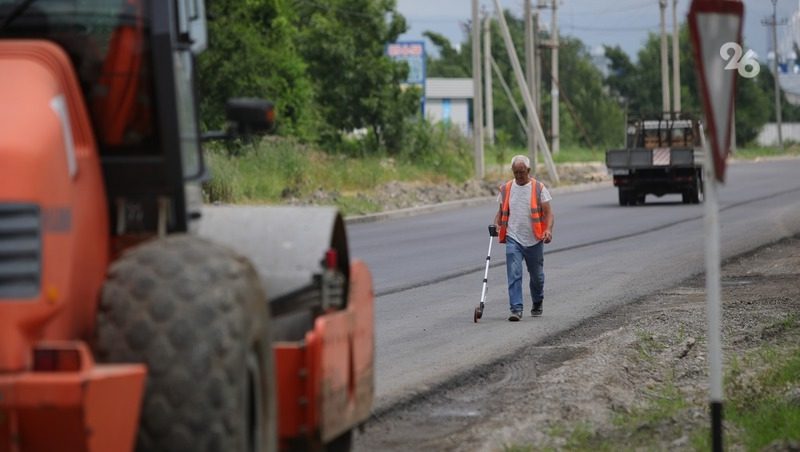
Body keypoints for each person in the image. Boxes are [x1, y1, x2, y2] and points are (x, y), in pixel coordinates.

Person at [493, 155, 554, 322]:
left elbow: (548, 213)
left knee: (537, 277)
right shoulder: (506, 189)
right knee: (514, 273)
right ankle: (516, 309)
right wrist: (497, 225)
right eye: (515, 173)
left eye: (522, 172)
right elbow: (500, 212)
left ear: (528, 171)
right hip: (513, 238)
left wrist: (547, 230)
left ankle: (537, 300)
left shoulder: (539, 188)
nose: (519, 176)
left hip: (535, 239)